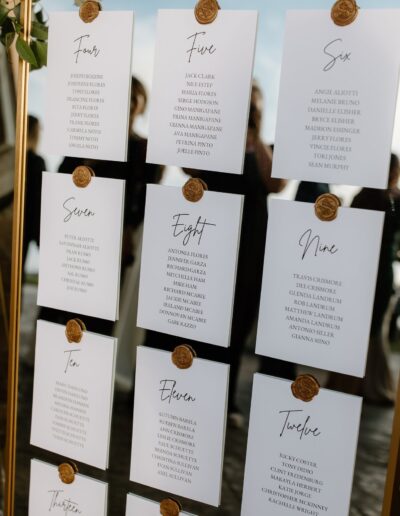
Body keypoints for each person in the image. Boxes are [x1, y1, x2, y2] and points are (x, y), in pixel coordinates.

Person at [145, 82, 289, 423]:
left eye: (256, 106)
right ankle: (183, 389)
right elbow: (187, 169)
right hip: (208, 242)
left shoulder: (265, 149)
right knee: (198, 317)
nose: (251, 110)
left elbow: (277, 183)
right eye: (247, 105)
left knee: (237, 322)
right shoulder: (214, 140)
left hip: (251, 244)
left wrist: (255, 136)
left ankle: (224, 400)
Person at [328, 154, 400, 404]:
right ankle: (367, 384)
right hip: (378, 270)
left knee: (358, 327)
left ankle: (350, 383)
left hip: (361, 268)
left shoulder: (363, 195)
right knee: (370, 328)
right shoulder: (392, 199)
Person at [23, 115, 46, 268]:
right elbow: (41, 201)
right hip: (26, 225)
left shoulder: (15, 159)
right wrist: (41, 237)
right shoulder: (36, 161)